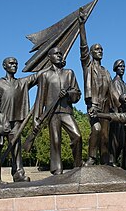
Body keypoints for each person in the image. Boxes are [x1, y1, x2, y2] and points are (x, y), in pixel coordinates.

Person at [0, 56, 42, 182]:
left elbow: (37, 76)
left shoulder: (21, 83)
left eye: (16, 63)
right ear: (4, 66)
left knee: (16, 147)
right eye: (11, 63)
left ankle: (18, 173)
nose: (14, 65)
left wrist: (49, 62)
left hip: (15, 122)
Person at [33, 47, 82, 175]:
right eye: (56, 53)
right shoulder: (45, 75)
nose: (59, 55)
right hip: (52, 113)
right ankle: (56, 170)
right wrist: (36, 119)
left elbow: (77, 93)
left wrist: (68, 94)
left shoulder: (69, 73)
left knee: (77, 136)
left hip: (66, 111)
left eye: (60, 53)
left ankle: (78, 167)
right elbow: (40, 98)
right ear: (49, 57)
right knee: (55, 141)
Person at [79, 9, 112, 165]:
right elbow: (83, 47)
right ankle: (91, 158)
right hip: (94, 105)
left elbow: (113, 93)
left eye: (101, 49)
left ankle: (105, 161)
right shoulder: (88, 66)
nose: (100, 51)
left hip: (106, 107)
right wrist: (82, 26)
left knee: (105, 136)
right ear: (91, 53)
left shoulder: (106, 72)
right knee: (97, 130)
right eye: (97, 49)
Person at [109, 59, 126, 167]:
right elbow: (117, 98)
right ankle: (112, 160)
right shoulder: (115, 82)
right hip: (118, 114)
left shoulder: (124, 83)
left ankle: (117, 161)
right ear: (116, 68)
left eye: (124, 66)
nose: (122, 68)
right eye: (120, 66)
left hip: (124, 115)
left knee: (122, 141)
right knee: (116, 139)